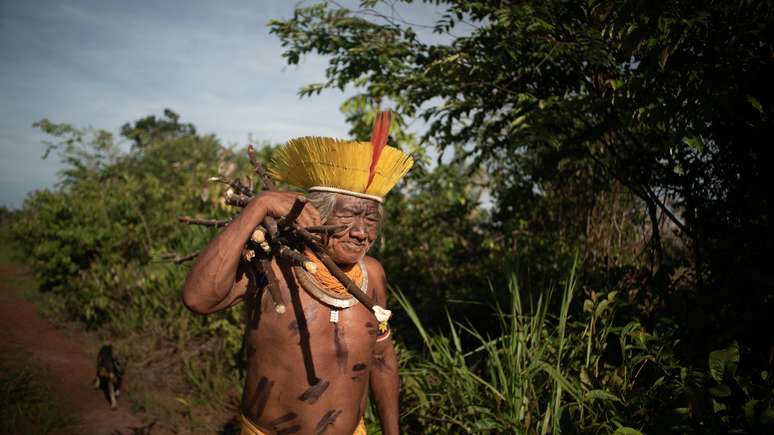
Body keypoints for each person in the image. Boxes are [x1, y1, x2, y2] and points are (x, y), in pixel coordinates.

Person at [181, 113, 413, 435]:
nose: (361, 233)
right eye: (348, 217)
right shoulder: (271, 265)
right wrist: (258, 207)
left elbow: (382, 357)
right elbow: (197, 299)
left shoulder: (371, 274)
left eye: (371, 221)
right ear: (316, 214)